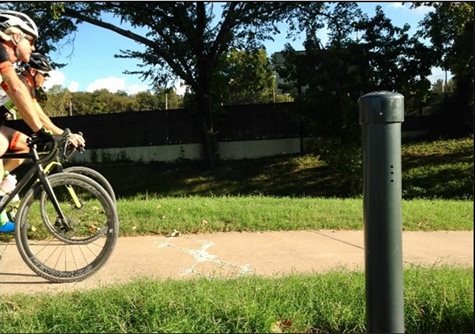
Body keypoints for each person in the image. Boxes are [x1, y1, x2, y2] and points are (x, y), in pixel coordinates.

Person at [0, 10, 58, 232]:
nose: (33, 48)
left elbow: (17, 96)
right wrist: (43, 131)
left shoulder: (8, 66)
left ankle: (2, 188)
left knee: (24, 143)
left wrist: (48, 132)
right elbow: (16, 89)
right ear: (15, 36)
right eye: (31, 41)